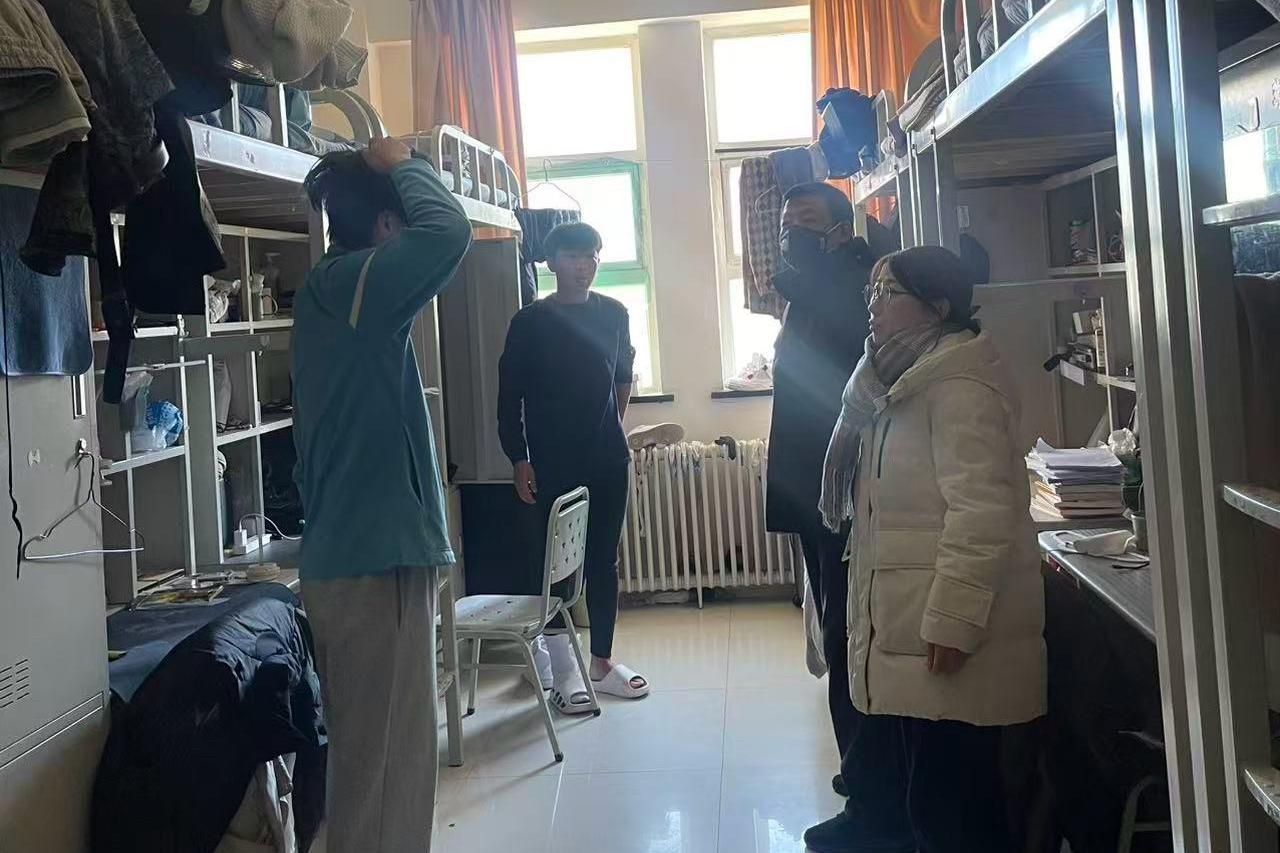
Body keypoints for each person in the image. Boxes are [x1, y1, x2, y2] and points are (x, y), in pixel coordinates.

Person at [804, 246, 1047, 853]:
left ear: (938, 308)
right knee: (931, 800)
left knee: (955, 809)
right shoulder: (897, 380)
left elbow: (981, 513)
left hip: (948, 634)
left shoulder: (959, 387)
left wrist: (954, 620)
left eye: (889, 294)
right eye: (872, 293)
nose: (873, 306)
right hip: (910, 623)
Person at [292, 137, 472, 853]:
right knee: (386, 767)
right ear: (388, 226)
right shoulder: (351, 287)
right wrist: (403, 163)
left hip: (364, 555)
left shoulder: (337, 297)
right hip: (372, 563)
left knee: (378, 761)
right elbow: (448, 232)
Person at [497, 221, 650, 712]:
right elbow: (509, 396)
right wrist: (518, 457)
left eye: (592, 256)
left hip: (607, 456)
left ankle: (601, 661)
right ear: (551, 262)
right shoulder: (530, 321)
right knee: (555, 564)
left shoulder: (614, 313)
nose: (585, 266)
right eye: (574, 257)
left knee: (604, 559)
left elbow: (621, 381)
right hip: (550, 460)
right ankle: (563, 669)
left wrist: (606, 430)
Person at [765, 182, 874, 794]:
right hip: (813, 488)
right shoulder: (809, 289)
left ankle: (864, 777)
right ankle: (857, 769)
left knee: (846, 628)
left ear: (839, 229)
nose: (791, 235)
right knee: (836, 621)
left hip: (841, 492)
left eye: (805, 221)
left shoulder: (853, 283)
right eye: (786, 224)